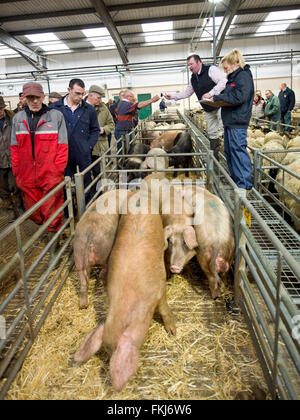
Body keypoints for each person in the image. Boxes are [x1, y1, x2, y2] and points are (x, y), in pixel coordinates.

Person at [10, 83, 68, 256]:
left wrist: (57, 170)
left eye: (37, 97)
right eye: (30, 98)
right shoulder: (18, 119)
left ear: (43, 97)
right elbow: (14, 147)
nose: (34, 101)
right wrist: (17, 171)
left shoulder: (55, 116)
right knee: (34, 212)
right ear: (24, 99)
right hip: (26, 175)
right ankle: (52, 231)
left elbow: (63, 145)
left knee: (52, 210)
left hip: (50, 173)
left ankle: (53, 246)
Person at [164, 54, 227, 158]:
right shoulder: (193, 78)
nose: (190, 67)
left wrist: (211, 93)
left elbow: (224, 81)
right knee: (212, 133)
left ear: (199, 62)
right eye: (188, 65)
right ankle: (215, 159)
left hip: (220, 106)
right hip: (208, 109)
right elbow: (187, 93)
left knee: (224, 129)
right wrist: (173, 96)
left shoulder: (211, 70)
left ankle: (228, 154)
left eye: (191, 64)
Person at [211, 49, 254, 195]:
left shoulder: (242, 76)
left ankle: (244, 185)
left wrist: (217, 99)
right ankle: (237, 180)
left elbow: (239, 97)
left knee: (238, 150)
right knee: (230, 151)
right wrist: (215, 97)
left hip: (238, 120)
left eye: (226, 67)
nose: (225, 70)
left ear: (235, 63)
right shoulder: (233, 78)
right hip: (231, 120)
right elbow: (229, 94)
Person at [50, 79, 100, 203]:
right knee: (64, 184)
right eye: (77, 93)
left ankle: (85, 210)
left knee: (86, 183)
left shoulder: (88, 109)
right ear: (69, 90)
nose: (80, 97)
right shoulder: (54, 109)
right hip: (61, 154)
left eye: (82, 94)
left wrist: (88, 146)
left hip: (82, 153)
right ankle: (68, 214)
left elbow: (95, 130)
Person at [86, 84, 115, 193]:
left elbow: (111, 124)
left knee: (99, 172)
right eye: (98, 97)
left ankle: (98, 195)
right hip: (85, 147)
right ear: (90, 96)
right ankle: (88, 196)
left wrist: (104, 129)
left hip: (99, 147)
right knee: (86, 174)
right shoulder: (81, 107)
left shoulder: (103, 108)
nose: (100, 100)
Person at [0, 96, 23, 221]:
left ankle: (20, 206)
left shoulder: (13, 119)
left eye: (0, 108)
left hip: (13, 159)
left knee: (16, 185)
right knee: (3, 189)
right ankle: (10, 210)